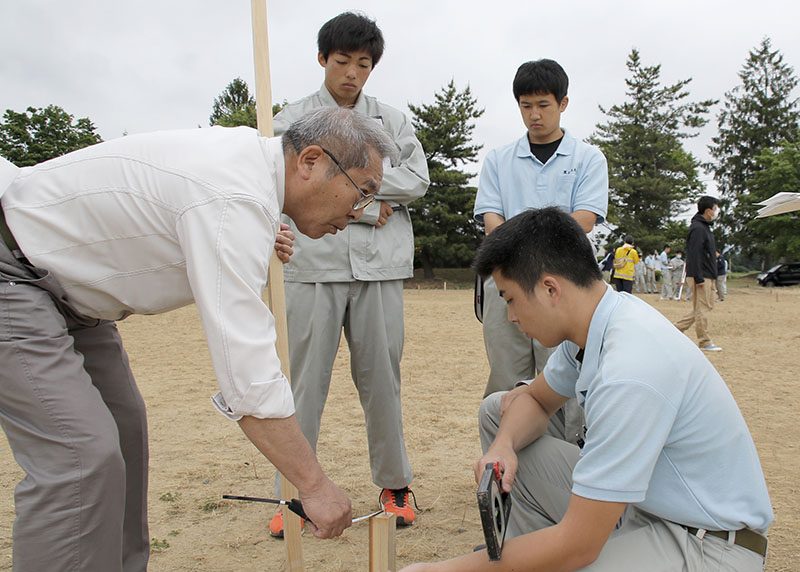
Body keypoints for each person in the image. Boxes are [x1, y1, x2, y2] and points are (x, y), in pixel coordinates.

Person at [0, 106, 397, 571]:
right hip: (14, 273)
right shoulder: (233, 197)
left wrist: (262, 229)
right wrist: (314, 486)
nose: (358, 213)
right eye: (361, 192)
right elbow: (247, 378)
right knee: (81, 457)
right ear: (310, 161)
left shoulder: (245, 180)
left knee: (124, 434)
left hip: (75, 300)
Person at [399, 207, 772, 572]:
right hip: (647, 509)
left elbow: (577, 547)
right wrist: (502, 447)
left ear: (549, 289)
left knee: (568, 558)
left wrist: (443, 569)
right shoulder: (599, 321)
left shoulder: (629, 368)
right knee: (500, 411)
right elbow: (536, 399)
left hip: (705, 543)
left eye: (511, 299)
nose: (511, 317)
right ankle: (526, 555)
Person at [269, 12, 430, 535]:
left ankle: (395, 486)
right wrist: (362, 206)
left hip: (379, 268)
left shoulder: (393, 120)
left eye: (364, 64)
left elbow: (416, 178)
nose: (352, 74)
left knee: (383, 379)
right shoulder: (291, 120)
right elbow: (283, 180)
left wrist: (364, 190)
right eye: (342, 62)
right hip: (313, 265)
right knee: (301, 384)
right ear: (322, 59)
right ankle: (294, 495)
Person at [473, 58, 608, 446]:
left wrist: (527, 246)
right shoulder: (499, 159)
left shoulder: (587, 158)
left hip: (565, 284)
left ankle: (568, 460)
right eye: (526, 106)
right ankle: (505, 460)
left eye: (543, 105)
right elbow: (491, 220)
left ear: (563, 103)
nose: (534, 115)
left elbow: (585, 218)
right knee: (505, 372)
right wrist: (520, 259)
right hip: (508, 283)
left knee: (565, 374)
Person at [675, 196, 722, 351]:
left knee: (702, 308)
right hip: (701, 275)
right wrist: (698, 277)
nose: (716, 212)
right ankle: (704, 341)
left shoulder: (705, 227)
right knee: (703, 309)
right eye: (715, 208)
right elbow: (693, 254)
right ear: (708, 211)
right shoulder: (698, 228)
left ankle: (675, 330)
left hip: (708, 274)